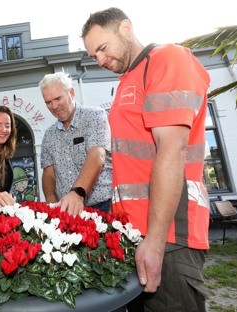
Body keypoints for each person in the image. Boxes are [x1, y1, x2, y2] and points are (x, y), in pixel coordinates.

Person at [82, 7, 213, 311]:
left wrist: (154, 240)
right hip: (136, 236)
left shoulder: (168, 59)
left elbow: (173, 148)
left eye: (103, 48)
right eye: (93, 57)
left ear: (126, 29)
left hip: (169, 237)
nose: (100, 60)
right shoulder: (128, 79)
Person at [39, 71, 113, 216]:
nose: (54, 106)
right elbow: (48, 174)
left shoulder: (94, 116)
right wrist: (51, 204)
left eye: (58, 98)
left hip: (103, 207)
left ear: (71, 93)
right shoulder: (49, 135)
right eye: (48, 102)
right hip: (68, 213)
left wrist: (77, 193)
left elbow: (97, 156)